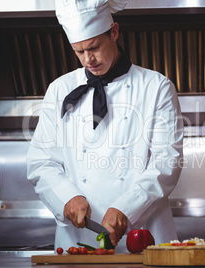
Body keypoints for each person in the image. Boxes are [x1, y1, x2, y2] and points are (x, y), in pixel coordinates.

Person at [26, 0, 183, 253]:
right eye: (78, 51)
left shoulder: (157, 87)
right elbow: (41, 162)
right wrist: (67, 198)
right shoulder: (59, 90)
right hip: (78, 236)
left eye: (94, 47)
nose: (88, 59)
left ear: (114, 32)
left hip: (142, 233)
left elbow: (167, 160)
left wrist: (127, 207)